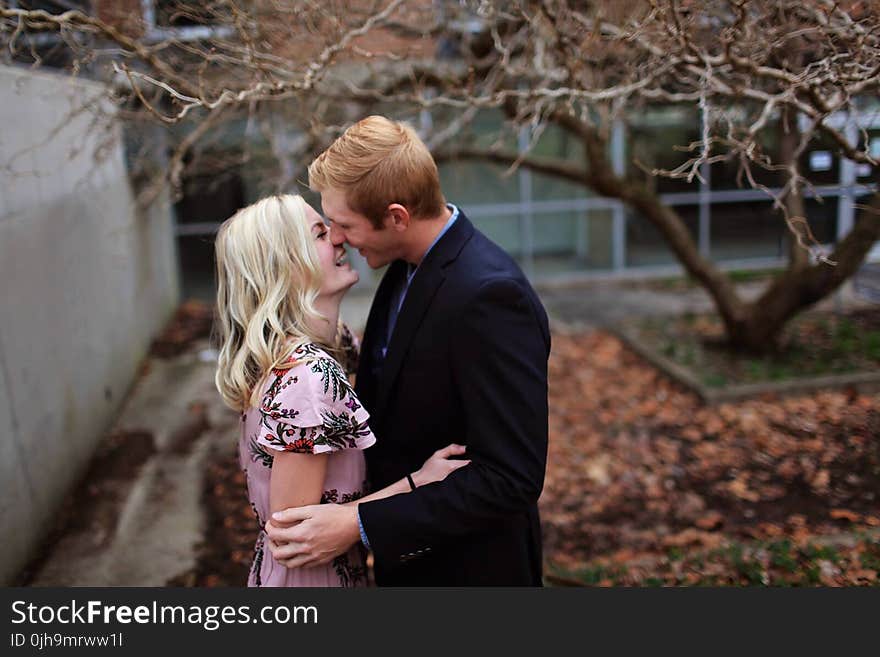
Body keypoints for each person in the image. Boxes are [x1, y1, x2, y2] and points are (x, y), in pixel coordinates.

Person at [266, 116, 551, 586]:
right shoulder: (404, 267)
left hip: (471, 572)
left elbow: (511, 478)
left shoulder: (491, 296)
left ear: (397, 217)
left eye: (344, 224)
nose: (337, 238)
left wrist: (359, 523)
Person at [213, 194, 469, 587]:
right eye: (319, 234)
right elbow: (292, 534)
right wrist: (418, 482)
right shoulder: (309, 376)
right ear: (287, 267)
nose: (338, 238)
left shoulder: (333, 346)